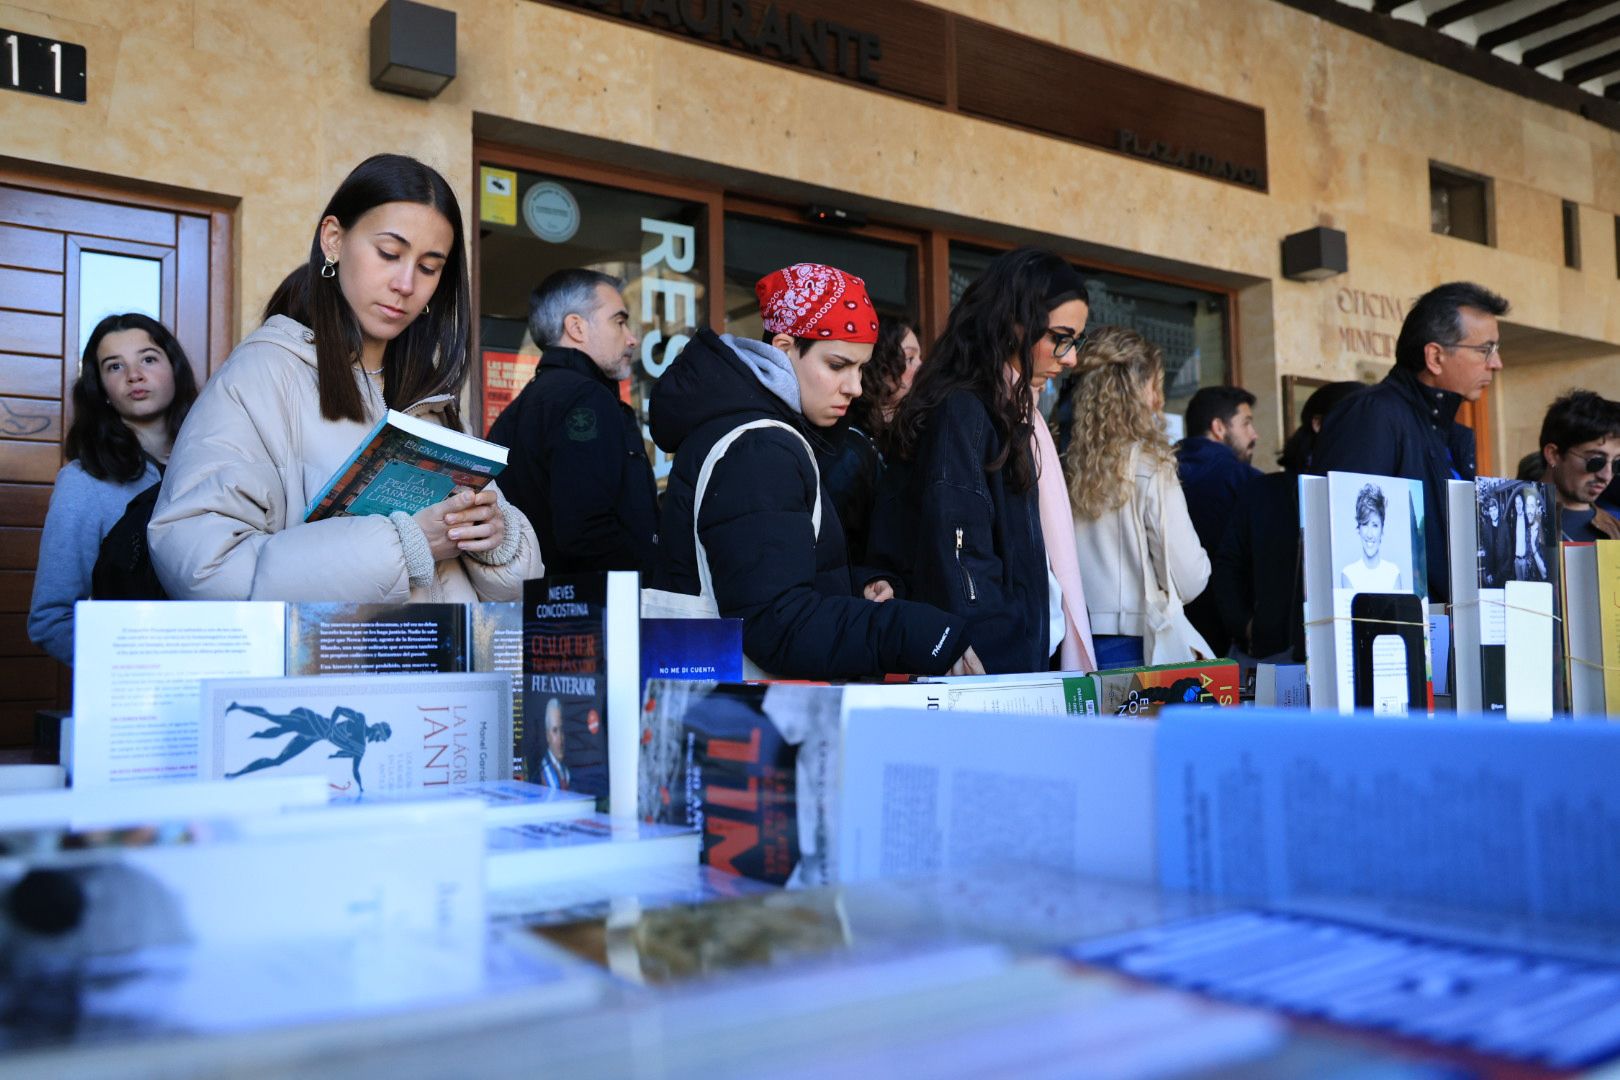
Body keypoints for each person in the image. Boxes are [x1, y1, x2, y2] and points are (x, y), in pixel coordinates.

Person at [149, 154, 542, 602]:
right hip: (332, 667)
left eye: (430, 267)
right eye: (389, 254)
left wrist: (496, 539)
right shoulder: (262, 376)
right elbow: (203, 567)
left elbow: (514, 601)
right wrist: (406, 545)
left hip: (444, 667)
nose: (406, 283)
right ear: (334, 239)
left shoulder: (434, 401)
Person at [647, 263, 978, 679]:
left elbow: (770, 580)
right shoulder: (760, 447)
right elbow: (777, 623)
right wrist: (914, 631)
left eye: (861, 368)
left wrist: (853, 586)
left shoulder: (752, 429)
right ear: (784, 346)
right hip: (742, 713)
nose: (855, 387)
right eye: (838, 365)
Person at [874, 247, 1096, 675]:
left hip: (1017, 662)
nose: (1071, 358)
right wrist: (999, 643)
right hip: (992, 669)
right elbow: (959, 547)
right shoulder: (967, 409)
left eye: (1077, 341)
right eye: (1061, 337)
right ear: (1013, 324)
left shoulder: (1009, 409)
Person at [1313, 281, 1509, 602]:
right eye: (1485, 349)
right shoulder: (1372, 415)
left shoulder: (1449, 431)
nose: (1496, 363)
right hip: (1394, 635)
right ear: (1435, 356)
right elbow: (1347, 546)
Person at [27, 313, 199, 665]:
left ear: (175, 370)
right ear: (100, 388)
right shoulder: (83, 481)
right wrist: (137, 665)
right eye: (114, 366)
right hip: (137, 695)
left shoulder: (219, 461)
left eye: (148, 359)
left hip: (223, 673)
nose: (134, 375)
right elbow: (51, 620)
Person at [486, 269, 659, 574]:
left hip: (541, 607)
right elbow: (586, 528)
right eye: (619, 321)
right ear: (576, 327)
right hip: (600, 609)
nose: (631, 338)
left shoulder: (521, 408)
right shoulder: (585, 399)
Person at [1066, 327, 1209, 670]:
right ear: (1139, 391)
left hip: (1072, 645)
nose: (1159, 400)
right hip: (1140, 643)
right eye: (1155, 387)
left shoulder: (1059, 466)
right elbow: (1188, 577)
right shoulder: (1150, 465)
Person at [1210, 380, 1363, 663]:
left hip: (1354, 656)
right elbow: (1227, 567)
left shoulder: (1369, 492)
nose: (1365, 432)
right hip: (1275, 656)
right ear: (1318, 423)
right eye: (1356, 419)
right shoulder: (1265, 491)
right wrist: (1247, 625)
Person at [822, 314, 921, 566]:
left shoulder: (899, 436)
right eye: (909, 358)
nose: (921, 366)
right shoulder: (850, 449)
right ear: (881, 365)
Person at [1174, 385, 1261, 655]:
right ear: (1218, 427)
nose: (1253, 434)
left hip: (1170, 633)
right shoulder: (1246, 481)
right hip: (1230, 637)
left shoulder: (1159, 471)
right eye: (1246, 423)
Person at [222, 702, 390, 794]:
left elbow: (355, 770)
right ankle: (238, 707)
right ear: (377, 730)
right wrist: (331, 726)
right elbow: (338, 709)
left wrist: (360, 787)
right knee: (274, 719)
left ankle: (235, 774)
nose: (378, 740)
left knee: (278, 761)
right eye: (380, 737)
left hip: (313, 737)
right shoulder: (360, 720)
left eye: (380, 740)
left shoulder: (361, 749)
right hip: (311, 721)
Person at [1537, 389, 1620, 541]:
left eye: (1617, 464)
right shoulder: (1504, 519)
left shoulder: (1616, 532)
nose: (1606, 475)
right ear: (1553, 455)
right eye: (1596, 461)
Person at [1340, 483, 1404, 591]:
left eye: (1375, 525)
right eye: (1365, 524)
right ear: (1359, 528)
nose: (1369, 534)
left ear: (1382, 529)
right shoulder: (1348, 574)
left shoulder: (1393, 573)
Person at [536, 698, 571, 789]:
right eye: (555, 731)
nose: (560, 738)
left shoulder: (565, 771)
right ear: (548, 736)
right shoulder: (541, 774)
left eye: (562, 729)